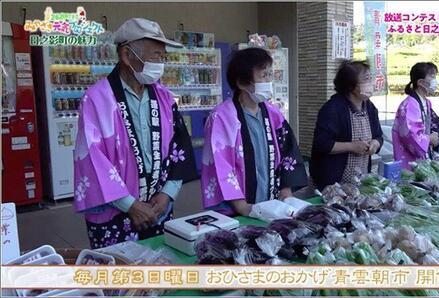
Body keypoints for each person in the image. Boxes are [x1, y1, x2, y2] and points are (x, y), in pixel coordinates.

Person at [74, 18, 197, 248]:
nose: (161, 63)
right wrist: (130, 205)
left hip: (157, 207)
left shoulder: (165, 97)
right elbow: (92, 159)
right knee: (120, 278)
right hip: (115, 212)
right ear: (126, 55)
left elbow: (179, 147)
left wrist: (168, 193)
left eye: (163, 56)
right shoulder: (96, 99)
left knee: (158, 271)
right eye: (155, 55)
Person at [201, 48, 307, 216]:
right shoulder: (222, 117)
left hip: (272, 206)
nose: (269, 81)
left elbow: (288, 151)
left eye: (270, 75)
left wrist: (286, 189)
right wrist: (242, 206)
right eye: (264, 75)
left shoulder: (273, 113)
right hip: (240, 209)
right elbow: (220, 166)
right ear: (242, 82)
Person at [310, 61, 383, 190]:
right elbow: (321, 144)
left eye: (370, 78)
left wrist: (375, 144)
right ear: (351, 86)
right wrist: (351, 146)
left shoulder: (370, 107)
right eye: (366, 79)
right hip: (332, 182)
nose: (371, 83)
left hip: (360, 178)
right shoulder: (333, 109)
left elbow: (378, 136)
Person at [392, 62, 439, 170]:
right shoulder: (409, 105)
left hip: (423, 157)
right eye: (432, 76)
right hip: (410, 159)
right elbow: (409, 134)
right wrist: (429, 139)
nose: (435, 80)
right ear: (421, 82)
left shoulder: (426, 103)